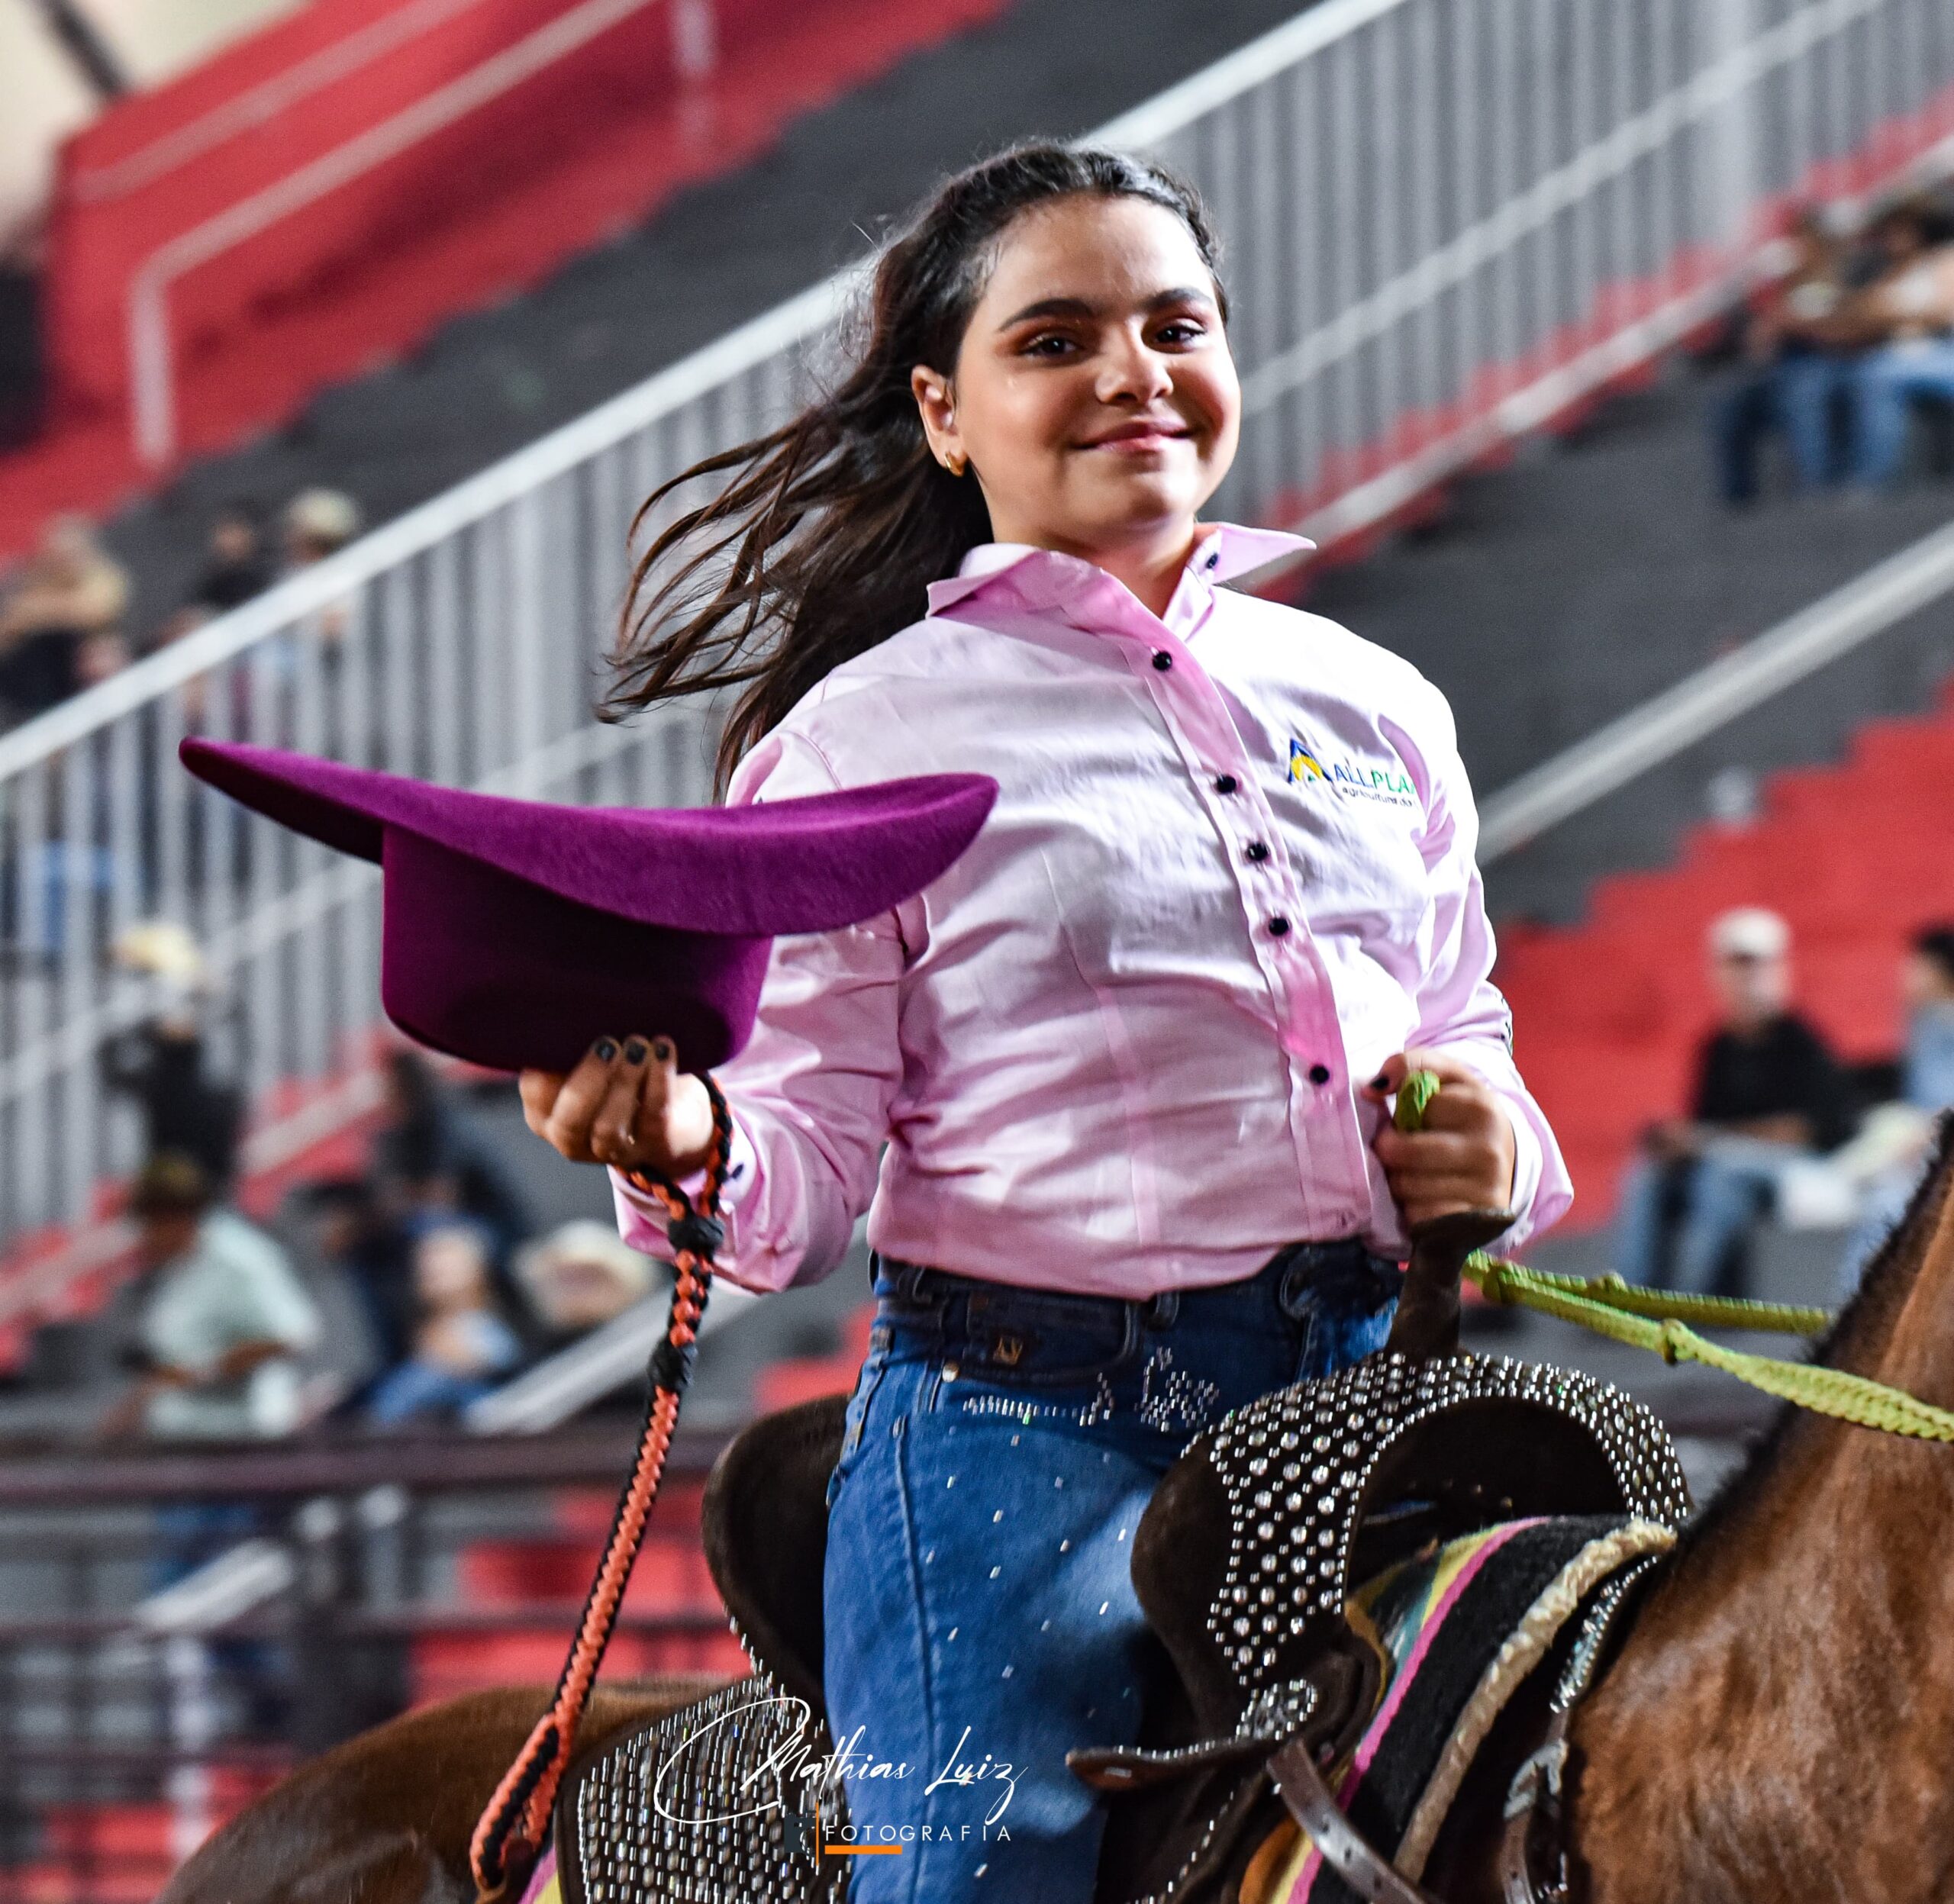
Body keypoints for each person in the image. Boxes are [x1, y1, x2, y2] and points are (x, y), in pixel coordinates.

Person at [518, 144, 1570, 1901]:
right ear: (943, 412)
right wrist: (678, 1134)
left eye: (1173, 324)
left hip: (1377, 1399)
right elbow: (782, 1187)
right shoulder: (855, 746)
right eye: (1053, 338)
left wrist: (1493, 1126)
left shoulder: (1372, 700)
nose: (1129, 373)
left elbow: (1461, 1013)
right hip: (1024, 1446)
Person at [1614, 907, 1855, 1295]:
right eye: (1735, 966)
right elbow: (1705, 1122)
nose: (1744, 979)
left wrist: (1710, 1141)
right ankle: (1629, 1292)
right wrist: (1683, 1144)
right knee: (1649, 1173)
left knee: (1719, 1174)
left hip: (1802, 1167)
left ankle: (1697, 1299)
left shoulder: (1802, 1042)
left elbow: (1806, 1131)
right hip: (1726, 1157)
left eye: (1753, 966)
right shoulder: (1716, 1047)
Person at [101, 1151, 323, 1442]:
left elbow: (293, 1334)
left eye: (148, 1225)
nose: (144, 1237)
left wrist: (206, 1372)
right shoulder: (179, 1266)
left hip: (241, 1445)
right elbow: (175, 1365)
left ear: (174, 1217)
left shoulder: (237, 1257)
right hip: (185, 1441)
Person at [1711, 205, 1862, 504]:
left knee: (1803, 392)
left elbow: (1846, 328)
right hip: (1785, 367)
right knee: (1730, 406)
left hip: (1835, 364)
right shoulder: (1787, 287)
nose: (1795, 248)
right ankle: (1738, 496)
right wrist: (1769, 323)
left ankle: (1814, 485)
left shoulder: (1843, 276)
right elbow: (1759, 347)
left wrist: (1795, 323)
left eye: (1801, 240)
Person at [1835, 924, 1954, 1294]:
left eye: (1915, 966)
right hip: (1920, 1150)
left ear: (1938, 971)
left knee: (1884, 1206)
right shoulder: (1921, 1023)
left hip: (1936, 1154)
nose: (1904, 975)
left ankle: (1852, 1317)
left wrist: (1929, 1134)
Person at [98, 920, 245, 1193]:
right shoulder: (215, 1095)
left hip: (184, 1186)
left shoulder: (155, 1084)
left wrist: (138, 1030)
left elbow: (111, 1065)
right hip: (191, 1185)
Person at [364, 1218, 523, 1424]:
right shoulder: (418, 1338)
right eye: (426, 1257)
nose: (431, 1265)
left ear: (476, 1271)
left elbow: (496, 1365)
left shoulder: (487, 1335)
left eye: (443, 1255)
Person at [1843, 199, 1954, 489]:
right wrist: (1902, 315)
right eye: (1889, 233)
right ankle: (1876, 480)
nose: (1895, 239)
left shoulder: (1943, 260)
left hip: (1942, 352)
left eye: (1903, 231)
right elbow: (1860, 315)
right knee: (1873, 378)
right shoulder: (1881, 274)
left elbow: (1944, 312)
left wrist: (1892, 314)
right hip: (1892, 359)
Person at [0, 514, 130, 723]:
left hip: (87, 675)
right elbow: (9, 629)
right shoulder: (36, 583)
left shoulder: (105, 578)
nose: (63, 562)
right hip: (40, 685)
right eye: (55, 555)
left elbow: (95, 609)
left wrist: (38, 611)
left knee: (100, 656)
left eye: (70, 554)